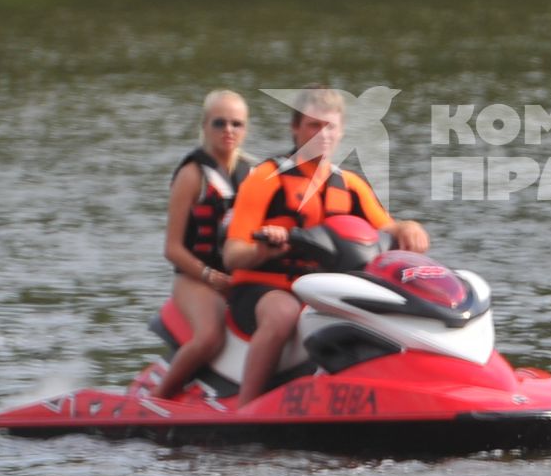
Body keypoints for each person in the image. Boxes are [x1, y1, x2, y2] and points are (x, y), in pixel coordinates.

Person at [221, 86, 430, 406]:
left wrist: (410, 228)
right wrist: (262, 250)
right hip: (264, 288)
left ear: (342, 131)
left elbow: (388, 228)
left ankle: (399, 392)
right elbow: (233, 254)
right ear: (295, 128)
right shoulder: (265, 179)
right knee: (283, 314)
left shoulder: (351, 185)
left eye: (329, 127)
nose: (322, 135)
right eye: (313, 125)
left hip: (325, 293)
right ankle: (245, 409)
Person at [148, 89, 258, 399]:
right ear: (205, 125)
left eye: (237, 124)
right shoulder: (192, 174)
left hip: (240, 276)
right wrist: (211, 276)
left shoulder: (255, 173)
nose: (228, 131)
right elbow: (172, 248)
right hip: (195, 278)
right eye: (219, 123)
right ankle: (159, 398)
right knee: (211, 337)